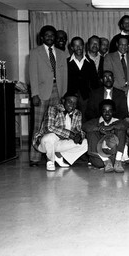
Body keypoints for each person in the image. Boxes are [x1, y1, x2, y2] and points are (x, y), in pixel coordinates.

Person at [29, 25, 68, 166]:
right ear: (42, 37)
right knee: (39, 124)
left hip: (58, 91)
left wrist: (64, 93)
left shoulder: (62, 53)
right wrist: (35, 94)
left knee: (56, 124)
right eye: (47, 35)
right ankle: (34, 157)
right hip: (41, 92)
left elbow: (64, 75)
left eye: (52, 35)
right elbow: (33, 74)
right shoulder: (35, 53)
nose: (50, 38)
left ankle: (54, 156)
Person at [32, 92, 87, 171]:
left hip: (61, 143)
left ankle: (58, 155)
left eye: (75, 103)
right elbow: (49, 127)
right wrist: (69, 134)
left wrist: (80, 136)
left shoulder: (78, 113)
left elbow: (79, 130)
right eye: (70, 102)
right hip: (44, 143)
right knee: (51, 137)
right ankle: (50, 160)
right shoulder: (53, 109)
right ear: (63, 101)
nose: (72, 105)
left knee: (85, 143)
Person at [82, 99, 126, 173]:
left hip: (114, 157)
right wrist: (99, 128)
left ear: (113, 111)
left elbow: (126, 125)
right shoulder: (95, 121)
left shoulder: (117, 122)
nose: (107, 113)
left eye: (110, 110)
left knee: (121, 130)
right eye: (104, 110)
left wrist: (112, 127)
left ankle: (118, 163)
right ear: (101, 111)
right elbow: (84, 126)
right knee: (91, 132)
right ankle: (107, 162)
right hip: (99, 159)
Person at [67, 36, 99, 118]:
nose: (78, 48)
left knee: (84, 119)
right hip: (70, 97)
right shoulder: (66, 62)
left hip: (86, 98)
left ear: (84, 46)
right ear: (72, 47)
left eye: (80, 45)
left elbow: (95, 82)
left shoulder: (90, 62)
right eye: (76, 45)